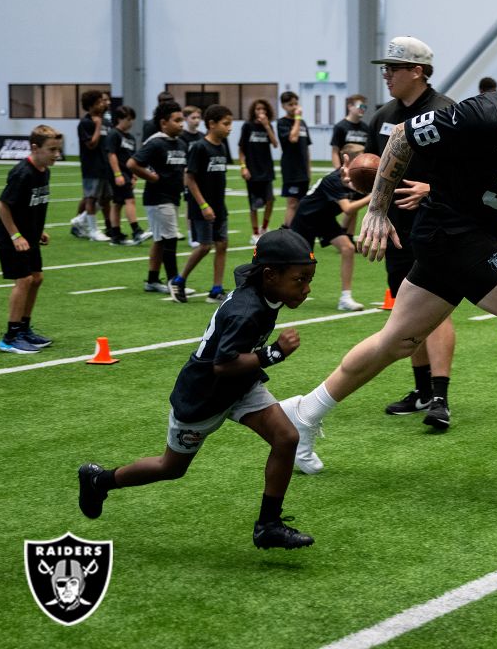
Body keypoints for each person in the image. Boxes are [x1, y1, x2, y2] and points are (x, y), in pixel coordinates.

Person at [281, 45, 497, 489]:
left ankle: (302, 414)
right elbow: (401, 136)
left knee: (396, 342)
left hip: (474, 235)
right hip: (451, 230)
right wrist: (378, 210)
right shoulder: (489, 112)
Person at [76, 230, 317, 550]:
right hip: (204, 395)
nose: (307, 288)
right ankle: (99, 480)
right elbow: (222, 363)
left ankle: (268, 525)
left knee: (286, 437)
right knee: (171, 468)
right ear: (271, 276)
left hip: (241, 385)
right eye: (300, 280)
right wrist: (273, 353)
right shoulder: (246, 310)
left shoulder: (264, 289)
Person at [364, 36, 460, 431]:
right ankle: (421, 390)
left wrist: (432, 189)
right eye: (385, 67)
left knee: (433, 310)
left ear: (418, 71)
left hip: (438, 226)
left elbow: (469, 172)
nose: (386, 74)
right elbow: (374, 167)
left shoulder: (448, 112)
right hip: (396, 229)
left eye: (394, 67)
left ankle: (441, 397)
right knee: (406, 313)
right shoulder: (383, 114)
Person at [0, 126, 60, 354]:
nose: (56, 155)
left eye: (58, 150)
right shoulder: (23, 172)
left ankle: (24, 328)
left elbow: (32, 204)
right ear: (35, 148)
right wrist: (16, 235)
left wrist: (38, 230)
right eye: (51, 149)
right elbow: (2, 204)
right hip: (12, 239)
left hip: (29, 237)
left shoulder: (44, 171)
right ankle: (10, 336)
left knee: (37, 278)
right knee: (23, 280)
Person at [290, 146, 372, 312]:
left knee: (348, 248)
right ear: (349, 160)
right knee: (302, 262)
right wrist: (373, 196)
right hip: (306, 217)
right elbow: (348, 208)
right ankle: (283, 292)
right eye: (361, 159)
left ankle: (345, 298)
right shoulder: (334, 179)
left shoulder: (357, 179)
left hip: (324, 218)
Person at [171, 104, 234, 303]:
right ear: (212, 124)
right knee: (205, 246)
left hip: (219, 206)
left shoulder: (222, 146)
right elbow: (189, 178)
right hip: (202, 207)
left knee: (222, 244)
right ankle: (178, 281)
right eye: (226, 124)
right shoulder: (199, 147)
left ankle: (216, 289)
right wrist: (203, 205)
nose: (229, 128)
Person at [129, 101, 187, 293]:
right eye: (177, 120)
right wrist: (152, 177)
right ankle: (174, 283)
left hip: (172, 196)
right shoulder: (155, 142)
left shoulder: (180, 143)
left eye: (182, 120)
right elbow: (132, 163)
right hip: (158, 198)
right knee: (169, 238)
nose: (181, 124)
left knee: (160, 239)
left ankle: (152, 280)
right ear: (163, 123)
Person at [104, 106, 150, 246]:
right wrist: (118, 174)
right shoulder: (114, 134)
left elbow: (132, 158)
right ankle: (136, 231)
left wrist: (134, 175)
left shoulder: (129, 137)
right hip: (119, 173)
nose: (130, 123)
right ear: (119, 119)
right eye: (128, 119)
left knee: (118, 203)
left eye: (132, 120)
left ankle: (116, 234)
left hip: (127, 173)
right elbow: (111, 154)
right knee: (130, 200)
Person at [70, 90, 112, 242]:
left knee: (106, 197)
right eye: (100, 102)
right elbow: (91, 144)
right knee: (91, 198)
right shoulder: (86, 123)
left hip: (105, 165)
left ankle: (80, 220)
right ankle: (93, 230)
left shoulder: (106, 121)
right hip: (91, 166)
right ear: (91, 105)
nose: (104, 104)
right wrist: (97, 126)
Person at [238, 98, 279, 244]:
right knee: (253, 204)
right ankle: (255, 232)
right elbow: (241, 149)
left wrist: (267, 126)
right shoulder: (247, 126)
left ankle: (264, 228)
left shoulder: (268, 126)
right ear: (253, 111)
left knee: (270, 200)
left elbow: (275, 144)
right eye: (258, 109)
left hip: (266, 169)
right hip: (252, 170)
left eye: (263, 109)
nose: (261, 112)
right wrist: (243, 167)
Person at [277, 91, 312, 228]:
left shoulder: (302, 123)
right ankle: (287, 232)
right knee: (292, 203)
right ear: (283, 106)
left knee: (302, 203)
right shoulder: (282, 123)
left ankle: (296, 231)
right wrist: (297, 118)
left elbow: (306, 148)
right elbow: (293, 138)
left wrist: (309, 170)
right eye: (290, 104)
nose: (294, 107)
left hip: (303, 170)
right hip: (291, 170)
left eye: (295, 103)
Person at [179, 106, 205, 248]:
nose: (196, 121)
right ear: (185, 119)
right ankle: (191, 234)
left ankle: (201, 234)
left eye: (198, 118)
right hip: (188, 175)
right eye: (193, 118)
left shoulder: (202, 136)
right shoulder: (182, 137)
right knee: (190, 205)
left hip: (201, 176)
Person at [329, 94, 370, 167]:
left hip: (360, 169)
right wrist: (339, 171)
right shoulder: (340, 126)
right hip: (345, 167)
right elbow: (335, 151)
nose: (363, 109)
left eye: (365, 107)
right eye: (360, 106)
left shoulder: (366, 128)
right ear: (350, 107)